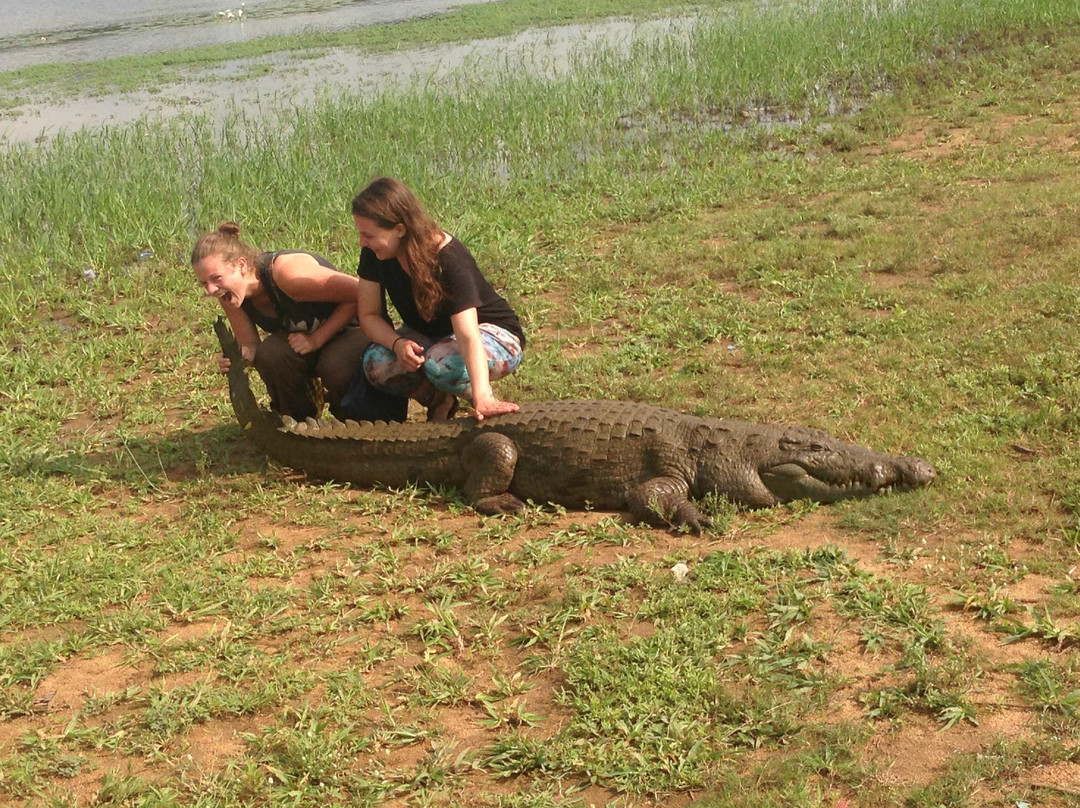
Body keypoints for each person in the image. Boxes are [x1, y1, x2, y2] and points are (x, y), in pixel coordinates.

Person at [351, 177, 526, 421]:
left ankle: (488, 403)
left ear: (399, 229)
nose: (362, 242)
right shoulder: (375, 253)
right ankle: (440, 400)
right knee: (376, 364)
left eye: (368, 235)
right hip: (433, 339)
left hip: (492, 334)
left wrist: (481, 394)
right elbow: (368, 315)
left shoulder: (448, 257)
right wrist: (397, 344)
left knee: (441, 364)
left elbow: (467, 334)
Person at [192, 221, 368, 421]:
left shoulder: (286, 275)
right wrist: (238, 358)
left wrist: (317, 339)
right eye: (204, 283)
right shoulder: (230, 296)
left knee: (334, 365)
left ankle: (357, 422)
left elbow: (362, 293)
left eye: (216, 278)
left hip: (354, 331)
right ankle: (297, 424)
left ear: (241, 265)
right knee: (270, 354)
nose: (211, 290)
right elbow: (251, 345)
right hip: (306, 344)